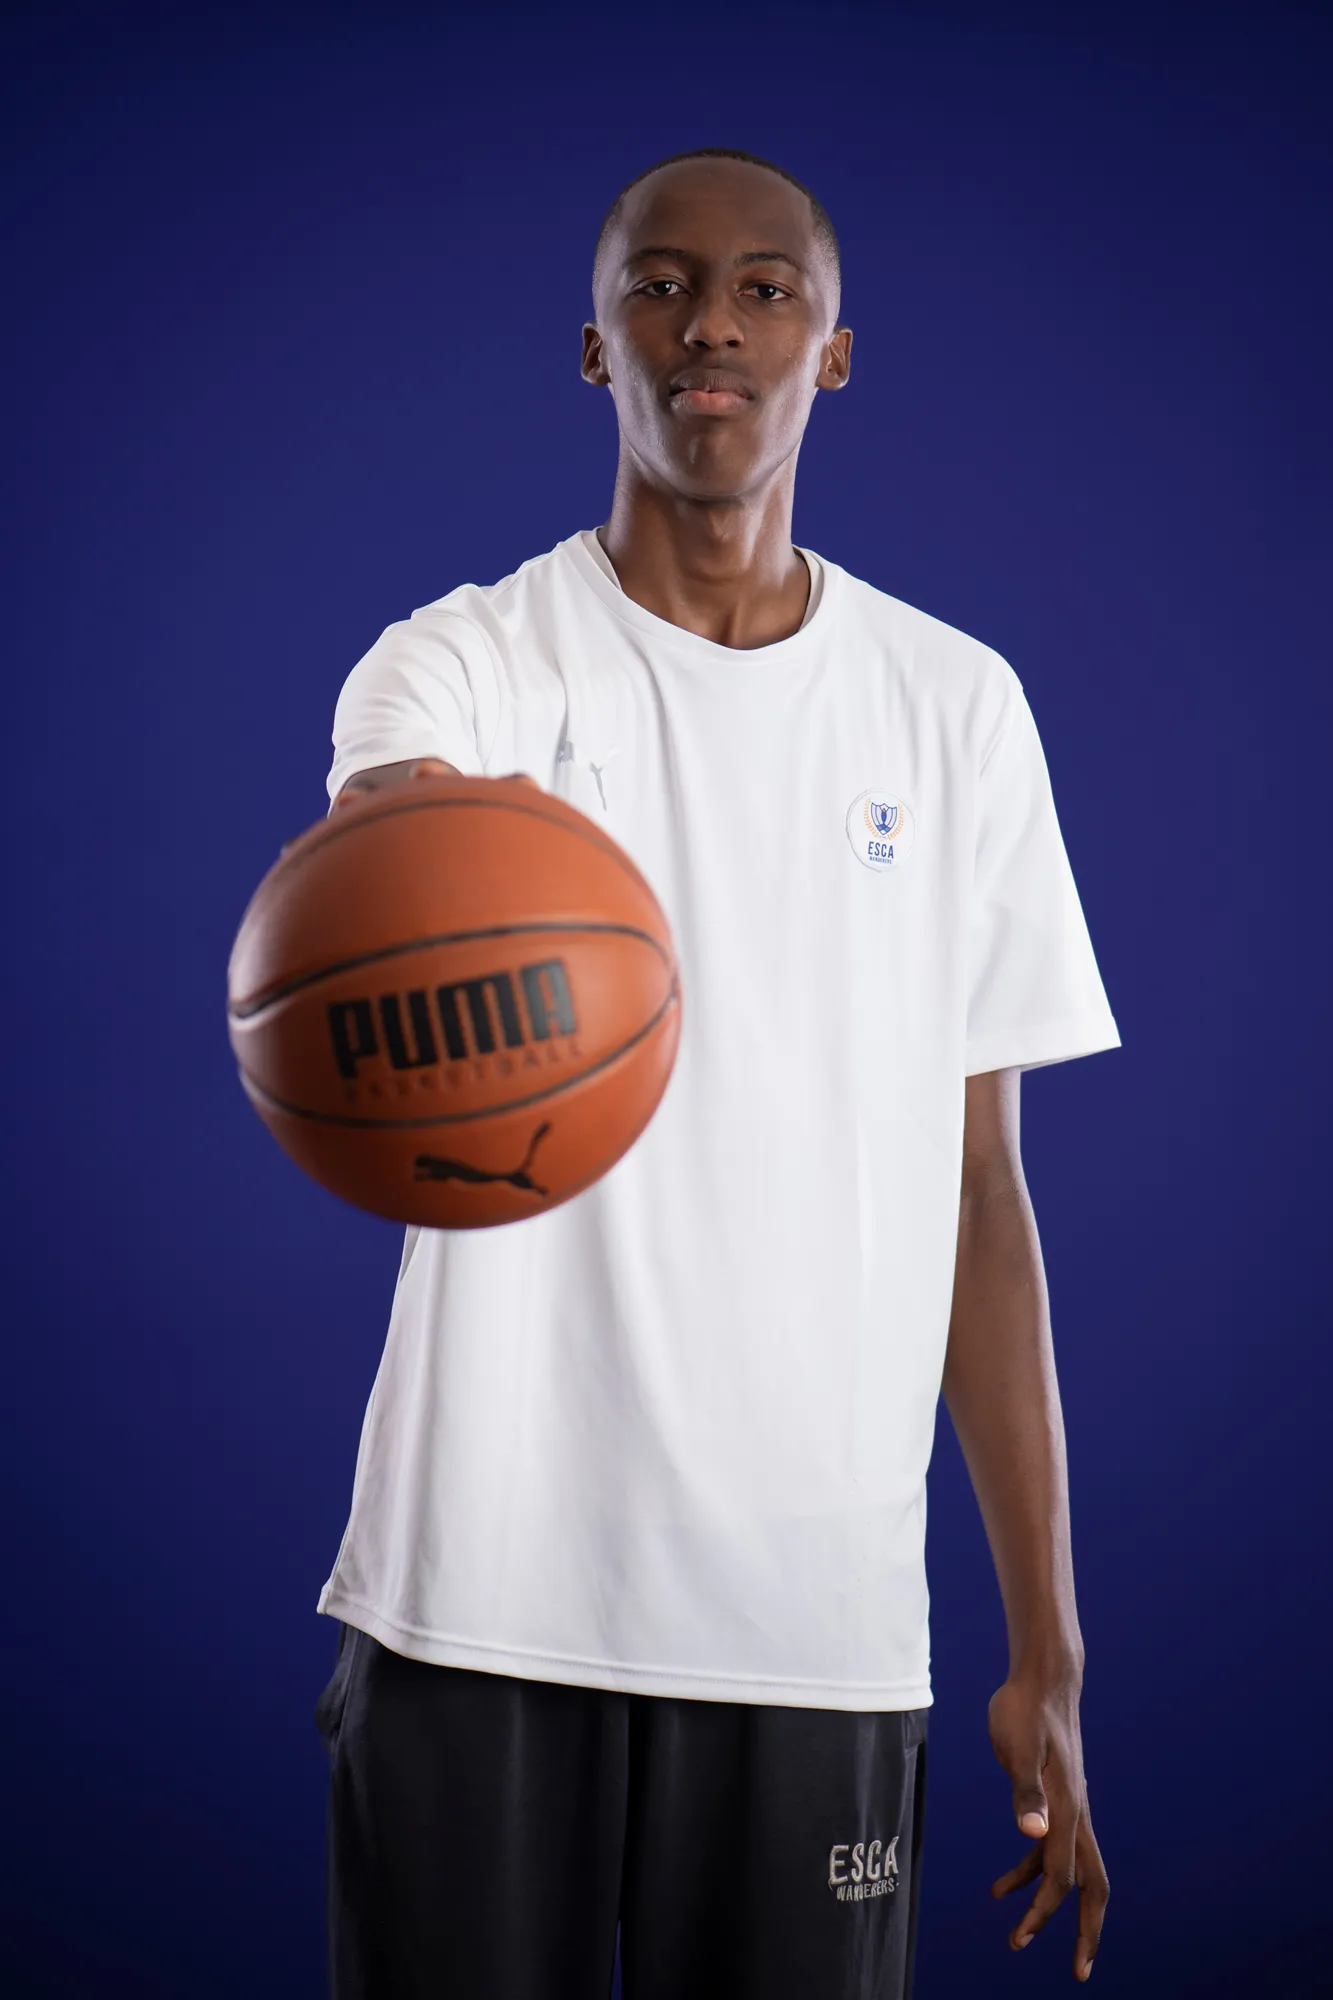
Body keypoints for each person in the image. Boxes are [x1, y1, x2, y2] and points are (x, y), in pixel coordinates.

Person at [312, 147, 1118, 2000]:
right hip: (478, 1591)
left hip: (812, 1618)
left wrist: (1046, 1648)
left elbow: (979, 1196)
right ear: (595, 347)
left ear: (833, 352)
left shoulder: (957, 707)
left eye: (767, 290)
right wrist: (431, 875)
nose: (712, 327)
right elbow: (388, 860)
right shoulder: (468, 662)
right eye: (661, 286)